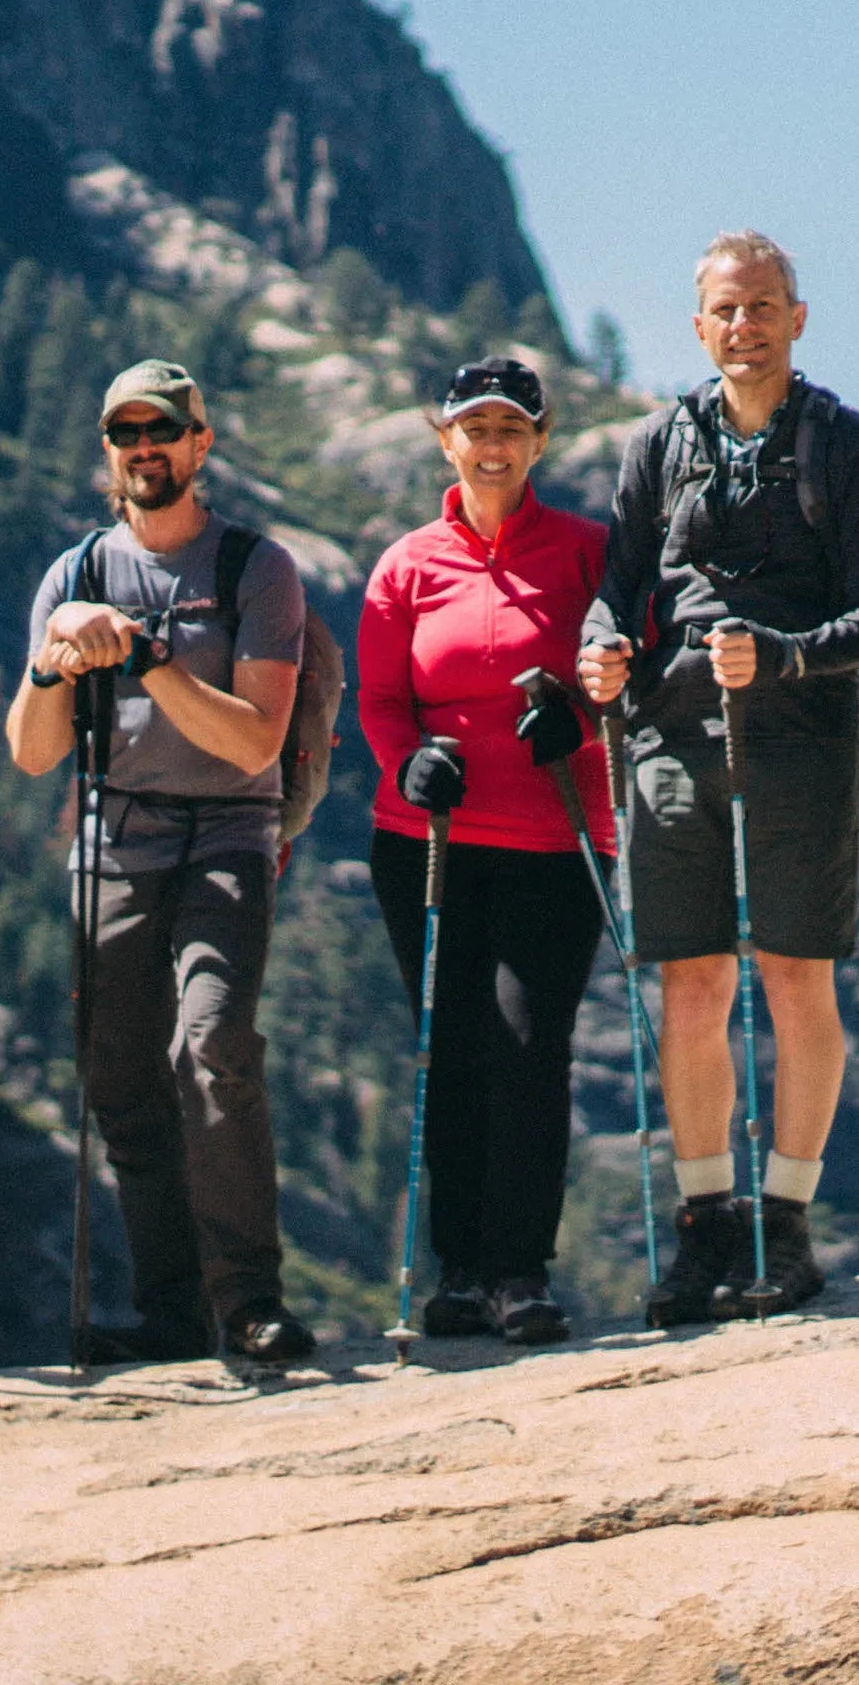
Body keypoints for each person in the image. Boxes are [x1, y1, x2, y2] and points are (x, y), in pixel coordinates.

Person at [579, 232, 859, 1321]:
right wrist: (600, 648)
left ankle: (787, 1224)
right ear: (699, 326)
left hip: (802, 740)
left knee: (797, 979)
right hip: (671, 737)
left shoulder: (849, 447)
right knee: (694, 984)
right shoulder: (659, 446)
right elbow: (617, 583)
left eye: (764, 306)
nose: (744, 326)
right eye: (726, 310)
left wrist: (789, 655)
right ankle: (708, 1229)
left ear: (797, 318)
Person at [3, 359, 319, 1370]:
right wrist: (56, 662)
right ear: (111, 452)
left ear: (200, 443)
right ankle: (171, 1313)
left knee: (213, 1044)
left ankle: (250, 1304)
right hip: (116, 844)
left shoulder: (255, 570)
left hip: (227, 835)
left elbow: (255, 742)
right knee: (120, 1077)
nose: (146, 450)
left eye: (164, 432)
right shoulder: (74, 577)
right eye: (127, 435)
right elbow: (31, 749)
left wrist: (145, 658)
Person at [355, 356, 615, 1347]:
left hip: (555, 838)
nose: (493, 442)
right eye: (475, 426)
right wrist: (408, 759)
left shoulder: (589, 552)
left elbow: (619, 677)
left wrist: (581, 725)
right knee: (452, 1051)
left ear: (541, 441)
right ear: (445, 441)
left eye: (513, 426)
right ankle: (460, 1272)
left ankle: (518, 1270)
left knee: (527, 1048)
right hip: (429, 839)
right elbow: (382, 698)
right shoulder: (406, 565)